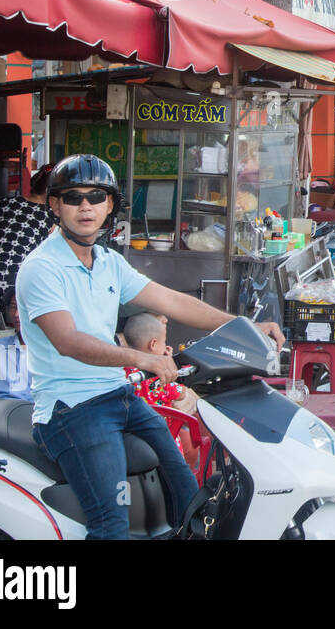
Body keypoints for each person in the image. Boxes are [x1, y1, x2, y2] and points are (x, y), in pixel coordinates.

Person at [16, 154, 285, 540]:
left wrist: (243, 326)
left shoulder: (108, 262)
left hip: (116, 394)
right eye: (73, 197)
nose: (86, 206)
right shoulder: (41, 268)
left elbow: (173, 302)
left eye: (96, 196)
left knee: (191, 499)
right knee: (110, 524)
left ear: (110, 205)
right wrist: (143, 358)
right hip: (70, 408)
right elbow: (68, 341)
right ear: (55, 205)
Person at [0, 163, 57, 344]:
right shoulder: (51, 217)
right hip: (17, 279)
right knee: (26, 339)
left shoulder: (6, 203)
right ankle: (16, 369)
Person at [121, 312, 199, 415]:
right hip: (162, 427)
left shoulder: (122, 370)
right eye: (164, 342)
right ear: (153, 344)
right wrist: (170, 366)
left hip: (131, 425)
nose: (165, 346)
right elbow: (180, 393)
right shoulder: (158, 376)